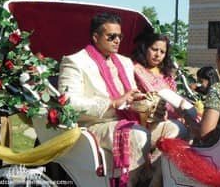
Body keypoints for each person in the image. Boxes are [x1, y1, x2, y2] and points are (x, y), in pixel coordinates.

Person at [58, 13, 180, 187]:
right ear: (95, 37)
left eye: (119, 36)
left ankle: (152, 180)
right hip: (96, 125)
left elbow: (130, 98)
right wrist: (113, 102)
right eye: (111, 36)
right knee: (137, 135)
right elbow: (68, 103)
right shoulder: (75, 61)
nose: (117, 41)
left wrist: (144, 104)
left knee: (176, 129)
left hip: (130, 121)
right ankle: (128, 183)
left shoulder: (125, 62)